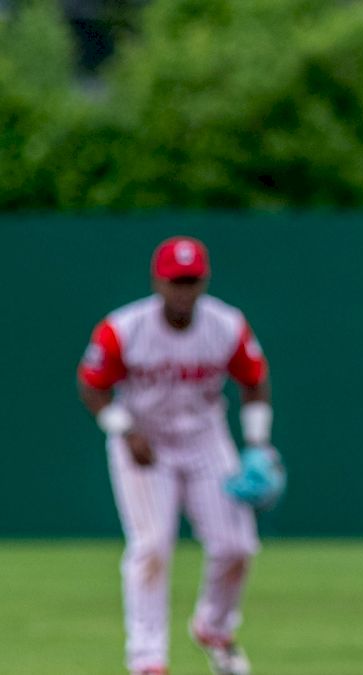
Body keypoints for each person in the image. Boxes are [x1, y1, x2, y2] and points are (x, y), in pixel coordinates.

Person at [78, 236, 275, 675]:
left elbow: (254, 380)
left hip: (206, 442)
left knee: (237, 545)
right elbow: (92, 383)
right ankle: (147, 659)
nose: (183, 291)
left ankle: (214, 626)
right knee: (150, 548)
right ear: (158, 282)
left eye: (190, 281)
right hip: (145, 445)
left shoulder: (225, 325)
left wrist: (258, 446)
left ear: (204, 281)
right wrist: (122, 428)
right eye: (175, 281)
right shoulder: (124, 328)